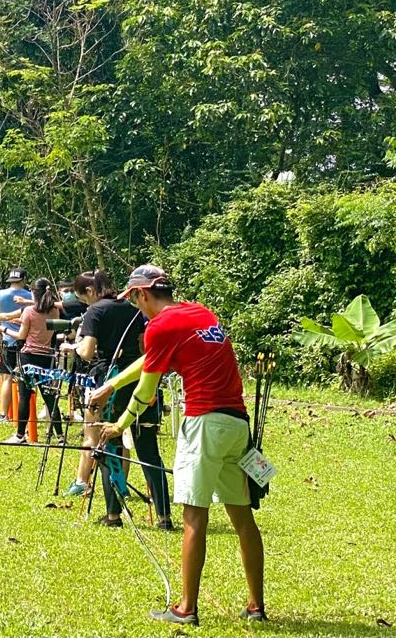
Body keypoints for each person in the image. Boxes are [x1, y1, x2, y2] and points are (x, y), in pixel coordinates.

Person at [91, 265, 266, 627]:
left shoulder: (158, 327)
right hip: (236, 424)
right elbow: (151, 361)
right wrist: (112, 385)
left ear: (143, 294)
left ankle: (186, 608)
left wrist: (120, 424)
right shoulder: (200, 313)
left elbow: (147, 390)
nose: (136, 309)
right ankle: (256, 606)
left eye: (135, 300)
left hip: (204, 424)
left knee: (193, 516)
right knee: (242, 518)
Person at [72, 269, 171, 529]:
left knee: (110, 445)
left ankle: (113, 516)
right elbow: (143, 348)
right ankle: (164, 518)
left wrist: (72, 346)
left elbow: (87, 351)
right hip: (140, 378)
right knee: (149, 450)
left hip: (110, 381)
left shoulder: (94, 312)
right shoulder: (134, 310)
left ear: (91, 291)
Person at [6, 277, 62, 444]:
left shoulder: (29, 311)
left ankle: (20, 435)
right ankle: (60, 436)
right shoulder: (54, 311)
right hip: (47, 357)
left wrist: (4, 329)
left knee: (24, 396)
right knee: (49, 397)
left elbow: (21, 336)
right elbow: (47, 331)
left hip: (28, 357)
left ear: (33, 293)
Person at [0, 268, 33, 425]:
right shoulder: (31, 296)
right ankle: (28, 415)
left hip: (6, 339)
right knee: (28, 378)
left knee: (6, 378)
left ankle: (4, 415)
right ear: (23, 280)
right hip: (26, 341)